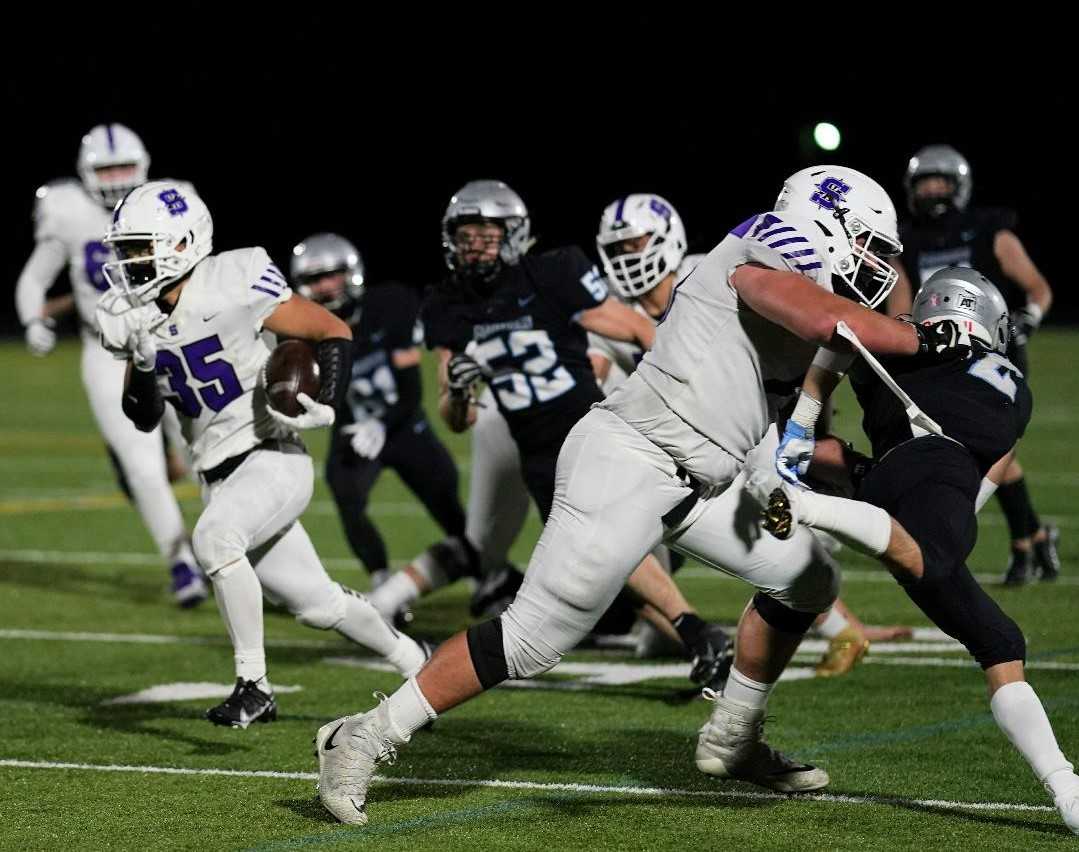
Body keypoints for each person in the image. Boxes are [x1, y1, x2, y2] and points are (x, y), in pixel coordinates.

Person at [313, 165, 962, 825]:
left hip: (701, 474)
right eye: (869, 245)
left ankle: (734, 735)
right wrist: (930, 337)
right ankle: (364, 734)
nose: (877, 264)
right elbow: (824, 318)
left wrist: (846, 464)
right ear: (825, 223)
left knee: (809, 577)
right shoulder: (765, 247)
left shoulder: (813, 305)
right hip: (632, 456)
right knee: (533, 639)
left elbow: (780, 411)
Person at [96, 182, 428, 728]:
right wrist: (146, 364)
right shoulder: (129, 313)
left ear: (181, 243)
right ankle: (416, 663)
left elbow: (331, 329)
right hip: (219, 475)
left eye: (138, 248)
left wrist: (326, 401)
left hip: (271, 455)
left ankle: (255, 685)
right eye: (126, 249)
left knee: (212, 539)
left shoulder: (235, 279)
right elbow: (143, 416)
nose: (129, 262)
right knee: (318, 605)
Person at [761, 267, 1078, 835]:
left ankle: (1067, 788)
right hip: (939, 479)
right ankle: (800, 506)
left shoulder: (904, 341)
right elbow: (988, 474)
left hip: (900, 478)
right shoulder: (1013, 386)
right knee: (931, 559)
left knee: (1001, 640)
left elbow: (841, 335)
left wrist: (802, 425)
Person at [15, 124, 205, 607]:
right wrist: (30, 320)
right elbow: (34, 278)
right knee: (141, 466)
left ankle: (231, 548)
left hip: (173, 338)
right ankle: (180, 560)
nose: (117, 178)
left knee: (205, 450)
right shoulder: (69, 210)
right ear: (84, 174)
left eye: (124, 167)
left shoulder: (167, 202)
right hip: (108, 350)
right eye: (106, 170)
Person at [889, 145, 1058, 585]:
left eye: (939, 182)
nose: (931, 190)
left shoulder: (988, 230)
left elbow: (1037, 287)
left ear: (958, 185)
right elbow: (902, 309)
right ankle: (1034, 538)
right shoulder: (907, 242)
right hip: (942, 356)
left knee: (993, 445)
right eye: (924, 183)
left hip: (995, 351)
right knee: (991, 448)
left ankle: (1028, 544)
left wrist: (1030, 318)